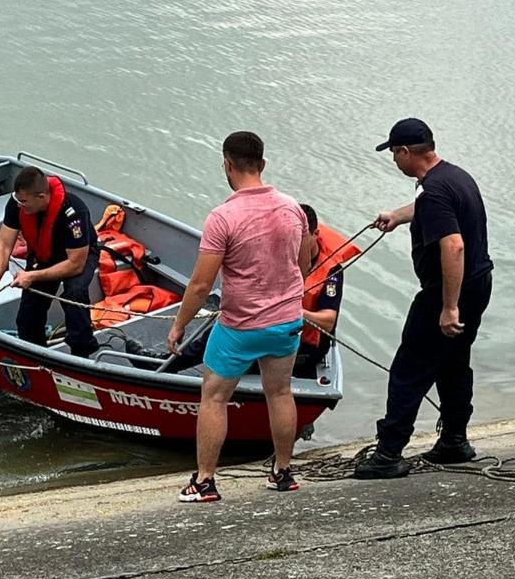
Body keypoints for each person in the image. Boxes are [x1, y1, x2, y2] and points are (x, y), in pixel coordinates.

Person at [169, 132, 312, 502]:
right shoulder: (292, 208)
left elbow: (201, 285)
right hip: (286, 321)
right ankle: (282, 472)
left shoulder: (222, 217)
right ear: (262, 164)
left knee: (214, 398)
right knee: (280, 391)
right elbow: (304, 263)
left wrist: (179, 324)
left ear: (227, 165)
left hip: (239, 326)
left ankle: (205, 481)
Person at [353, 118, 494, 480]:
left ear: (404, 152)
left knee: (408, 369)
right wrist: (397, 217)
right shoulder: (453, 177)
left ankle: (388, 453)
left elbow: (454, 245)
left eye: (393, 154)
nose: (394, 161)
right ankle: (454, 441)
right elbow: (430, 207)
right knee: (453, 361)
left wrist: (448, 306)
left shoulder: (433, 191)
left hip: (447, 292)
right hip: (479, 284)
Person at [130, 203, 349, 379]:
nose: (294, 244)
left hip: (304, 343)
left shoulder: (331, 272)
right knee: (226, 326)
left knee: (234, 342)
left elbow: (328, 321)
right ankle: (167, 363)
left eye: (301, 239)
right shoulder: (283, 248)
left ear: (315, 234)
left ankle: (166, 367)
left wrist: (294, 312)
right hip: (275, 324)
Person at [0, 166, 99, 358]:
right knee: (28, 317)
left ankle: (82, 353)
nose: (20, 205)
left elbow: (75, 264)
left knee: (74, 294)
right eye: (19, 200)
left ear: (42, 197)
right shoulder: (17, 203)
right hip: (42, 254)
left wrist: (32, 276)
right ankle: (37, 356)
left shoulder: (74, 212)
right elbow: (3, 245)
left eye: (25, 201)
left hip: (76, 256)